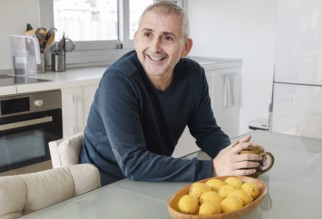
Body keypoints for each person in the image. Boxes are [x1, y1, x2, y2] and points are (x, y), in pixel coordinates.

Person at [80, 1, 262, 186]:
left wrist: (234, 156)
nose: (155, 47)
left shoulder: (194, 75)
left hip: (151, 179)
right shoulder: (118, 81)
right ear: (136, 39)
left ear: (185, 47)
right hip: (103, 187)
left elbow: (207, 132)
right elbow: (134, 163)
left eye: (167, 38)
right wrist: (213, 168)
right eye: (148, 35)